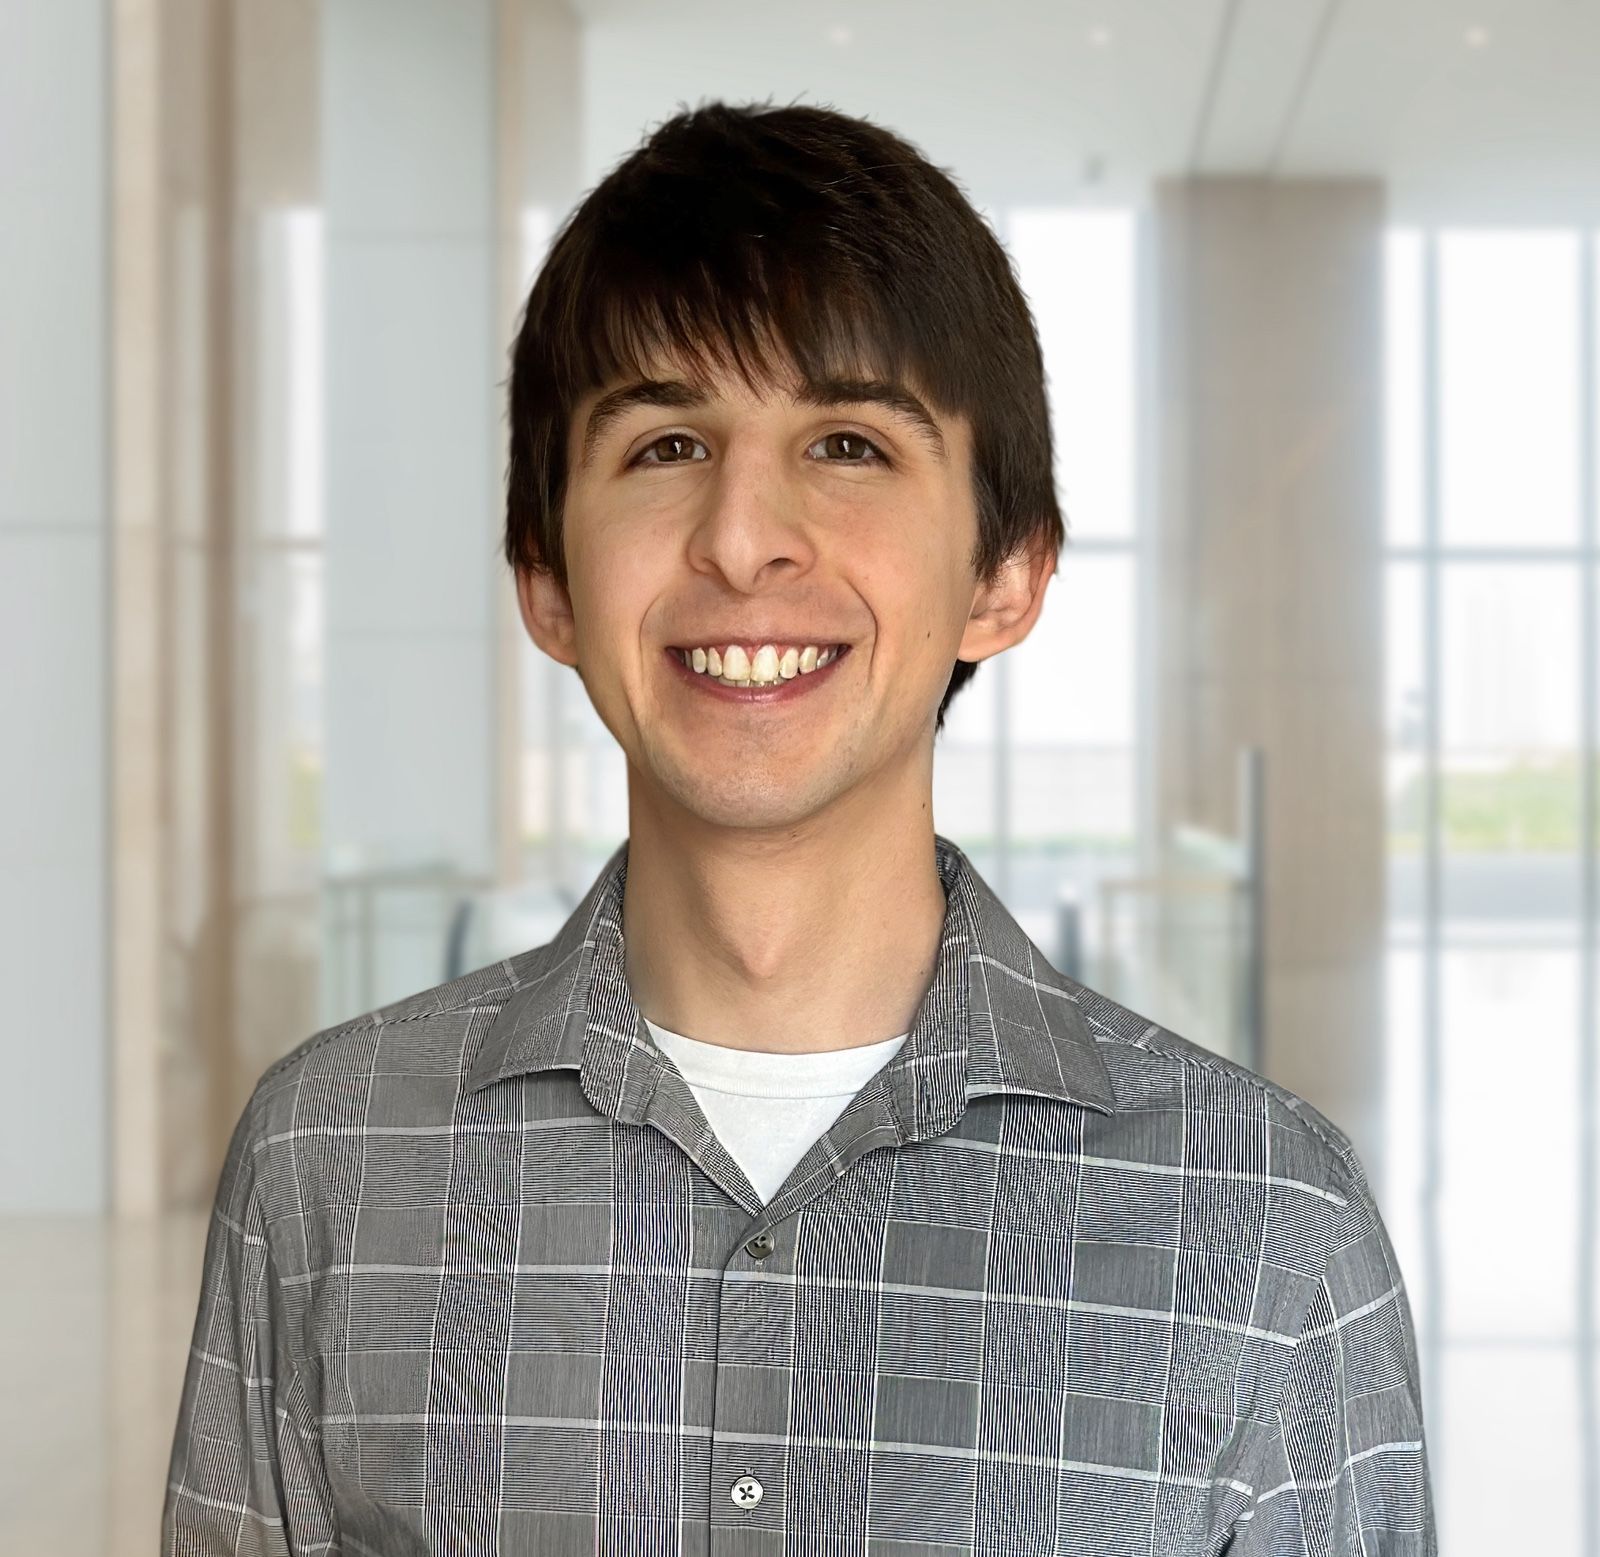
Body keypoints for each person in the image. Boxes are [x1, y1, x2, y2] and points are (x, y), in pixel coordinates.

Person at [163, 100, 1436, 1555]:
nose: (741, 535)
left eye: (844, 440)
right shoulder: (327, 1160)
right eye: (663, 444)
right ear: (547, 580)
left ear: (1005, 574)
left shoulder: (1269, 1227)